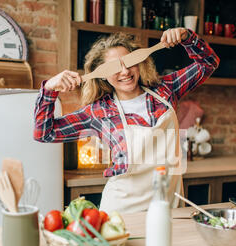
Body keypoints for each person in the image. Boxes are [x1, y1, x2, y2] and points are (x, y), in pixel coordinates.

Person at [34, 27, 219, 214]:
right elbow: (44, 133)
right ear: (103, 75)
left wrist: (187, 37)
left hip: (168, 206)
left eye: (130, 62)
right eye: (114, 67)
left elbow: (209, 63)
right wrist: (49, 90)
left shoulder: (166, 89)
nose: (125, 71)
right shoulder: (98, 111)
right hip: (122, 211)